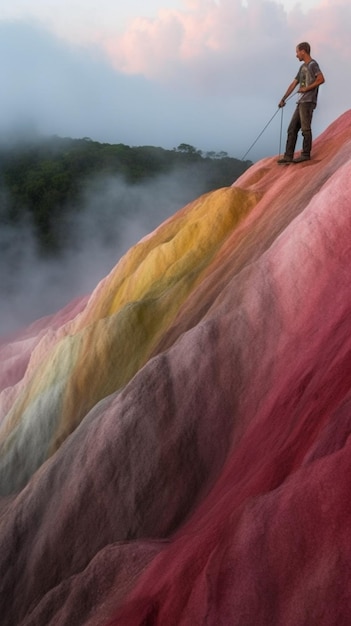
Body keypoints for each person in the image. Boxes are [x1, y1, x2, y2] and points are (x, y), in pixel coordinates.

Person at [277, 42, 325, 164]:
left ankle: (305, 154)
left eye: (297, 52)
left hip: (308, 101)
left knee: (305, 129)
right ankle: (288, 156)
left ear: (303, 51)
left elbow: (321, 79)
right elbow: (294, 83)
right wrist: (284, 98)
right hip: (301, 101)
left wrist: (306, 88)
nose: (296, 55)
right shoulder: (302, 67)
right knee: (292, 128)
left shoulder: (313, 64)